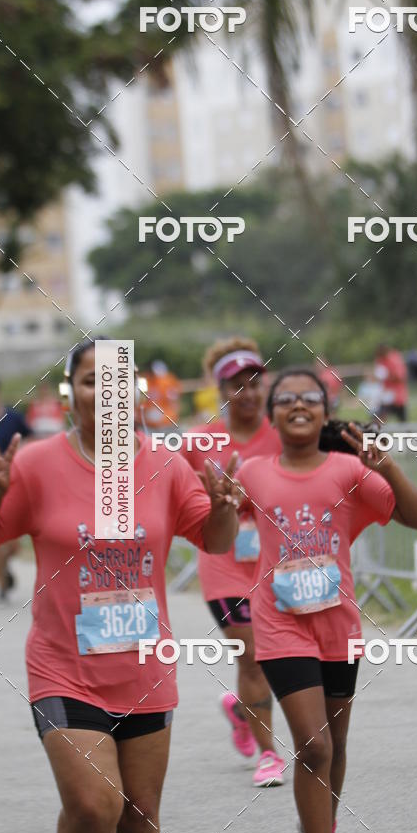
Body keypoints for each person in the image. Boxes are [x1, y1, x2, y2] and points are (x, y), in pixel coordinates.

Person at [0, 337, 241, 833]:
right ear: (69, 395)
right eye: (90, 381)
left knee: (139, 816)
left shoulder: (166, 464)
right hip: (64, 670)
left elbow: (214, 540)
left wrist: (225, 508)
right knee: (93, 807)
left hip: (144, 669)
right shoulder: (35, 464)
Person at [237, 368, 417, 833]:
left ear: (324, 411)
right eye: (285, 399)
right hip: (279, 627)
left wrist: (386, 467)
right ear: (271, 413)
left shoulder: (349, 470)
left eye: (309, 399)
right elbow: (218, 527)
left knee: (336, 745)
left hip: (337, 627)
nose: (297, 406)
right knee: (315, 746)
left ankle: (325, 826)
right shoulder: (251, 471)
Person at [182, 337, 285, 787]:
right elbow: (180, 504)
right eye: (236, 384)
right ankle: (269, 756)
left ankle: (242, 710)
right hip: (224, 563)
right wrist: (218, 500)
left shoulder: (283, 433)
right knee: (254, 659)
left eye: (255, 382)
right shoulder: (198, 443)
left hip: (279, 563)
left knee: (277, 660)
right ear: (220, 390)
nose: (248, 392)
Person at [0, 378, 32, 599]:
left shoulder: (13, 418)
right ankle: (3, 580)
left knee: (11, 543)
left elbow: (31, 439)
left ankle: (3, 570)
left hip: (12, 484)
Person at [140, 359, 182, 432]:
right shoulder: (143, 381)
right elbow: (141, 403)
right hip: (147, 419)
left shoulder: (165, 381)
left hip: (165, 418)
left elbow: (174, 400)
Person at [373, 343, 408, 421]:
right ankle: (377, 431)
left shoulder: (394, 358)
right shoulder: (380, 360)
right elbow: (378, 376)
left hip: (398, 396)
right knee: (378, 417)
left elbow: (400, 377)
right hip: (386, 395)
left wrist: (388, 376)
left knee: (403, 423)